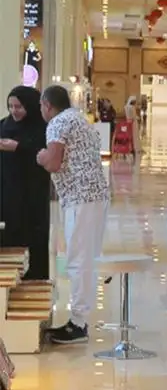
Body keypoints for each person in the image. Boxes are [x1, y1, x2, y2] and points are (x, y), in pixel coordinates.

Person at [36, 85, 110, 345]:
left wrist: (41, 156)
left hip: (80, 198)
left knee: (78, 260)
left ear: (47, 104)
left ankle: (78, 324)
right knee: (87, 258)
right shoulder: (80, 119)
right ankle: (81, 319)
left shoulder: (57, 123)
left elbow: (54, 162)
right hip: (97, 196)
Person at [0, 87, 51, 280]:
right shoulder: (4, 125)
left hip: (33, 190)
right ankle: (9, 276)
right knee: (9, 231)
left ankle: (36, 274)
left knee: (35, 233)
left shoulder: (42, 127)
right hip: (8, 189)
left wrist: (19, 147)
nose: (14, 111)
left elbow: (45, 152)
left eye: (19, 106)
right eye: (11, 106)